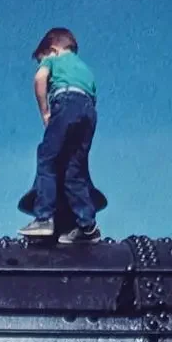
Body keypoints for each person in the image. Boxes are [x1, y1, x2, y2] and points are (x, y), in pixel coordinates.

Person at [20, 27, 100, 245]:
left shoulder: (53, 60)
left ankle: (44, 218)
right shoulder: (85, 69)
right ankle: (87, 225)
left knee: (47, 158)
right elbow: (92, 99)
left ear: (53, 49)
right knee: (75, 169)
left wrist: (45, 112)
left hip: (65, 102)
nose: (41, 63)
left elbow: (39, 80)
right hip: (89, 112)